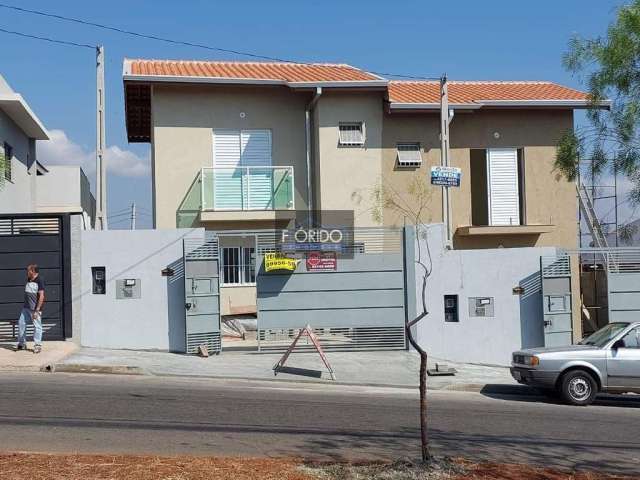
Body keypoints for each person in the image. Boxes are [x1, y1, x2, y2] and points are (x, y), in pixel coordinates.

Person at [15, 264, 45, 354]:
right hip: (26, 308)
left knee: (37, 326)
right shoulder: (29, 279)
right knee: (21, 323)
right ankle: (22, 343)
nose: (27, 272)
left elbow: (42, 296)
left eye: (28, 271)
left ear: (33, 271)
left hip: (35, 309)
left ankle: (37, 345)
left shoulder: (39, 280)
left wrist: (37, 310)